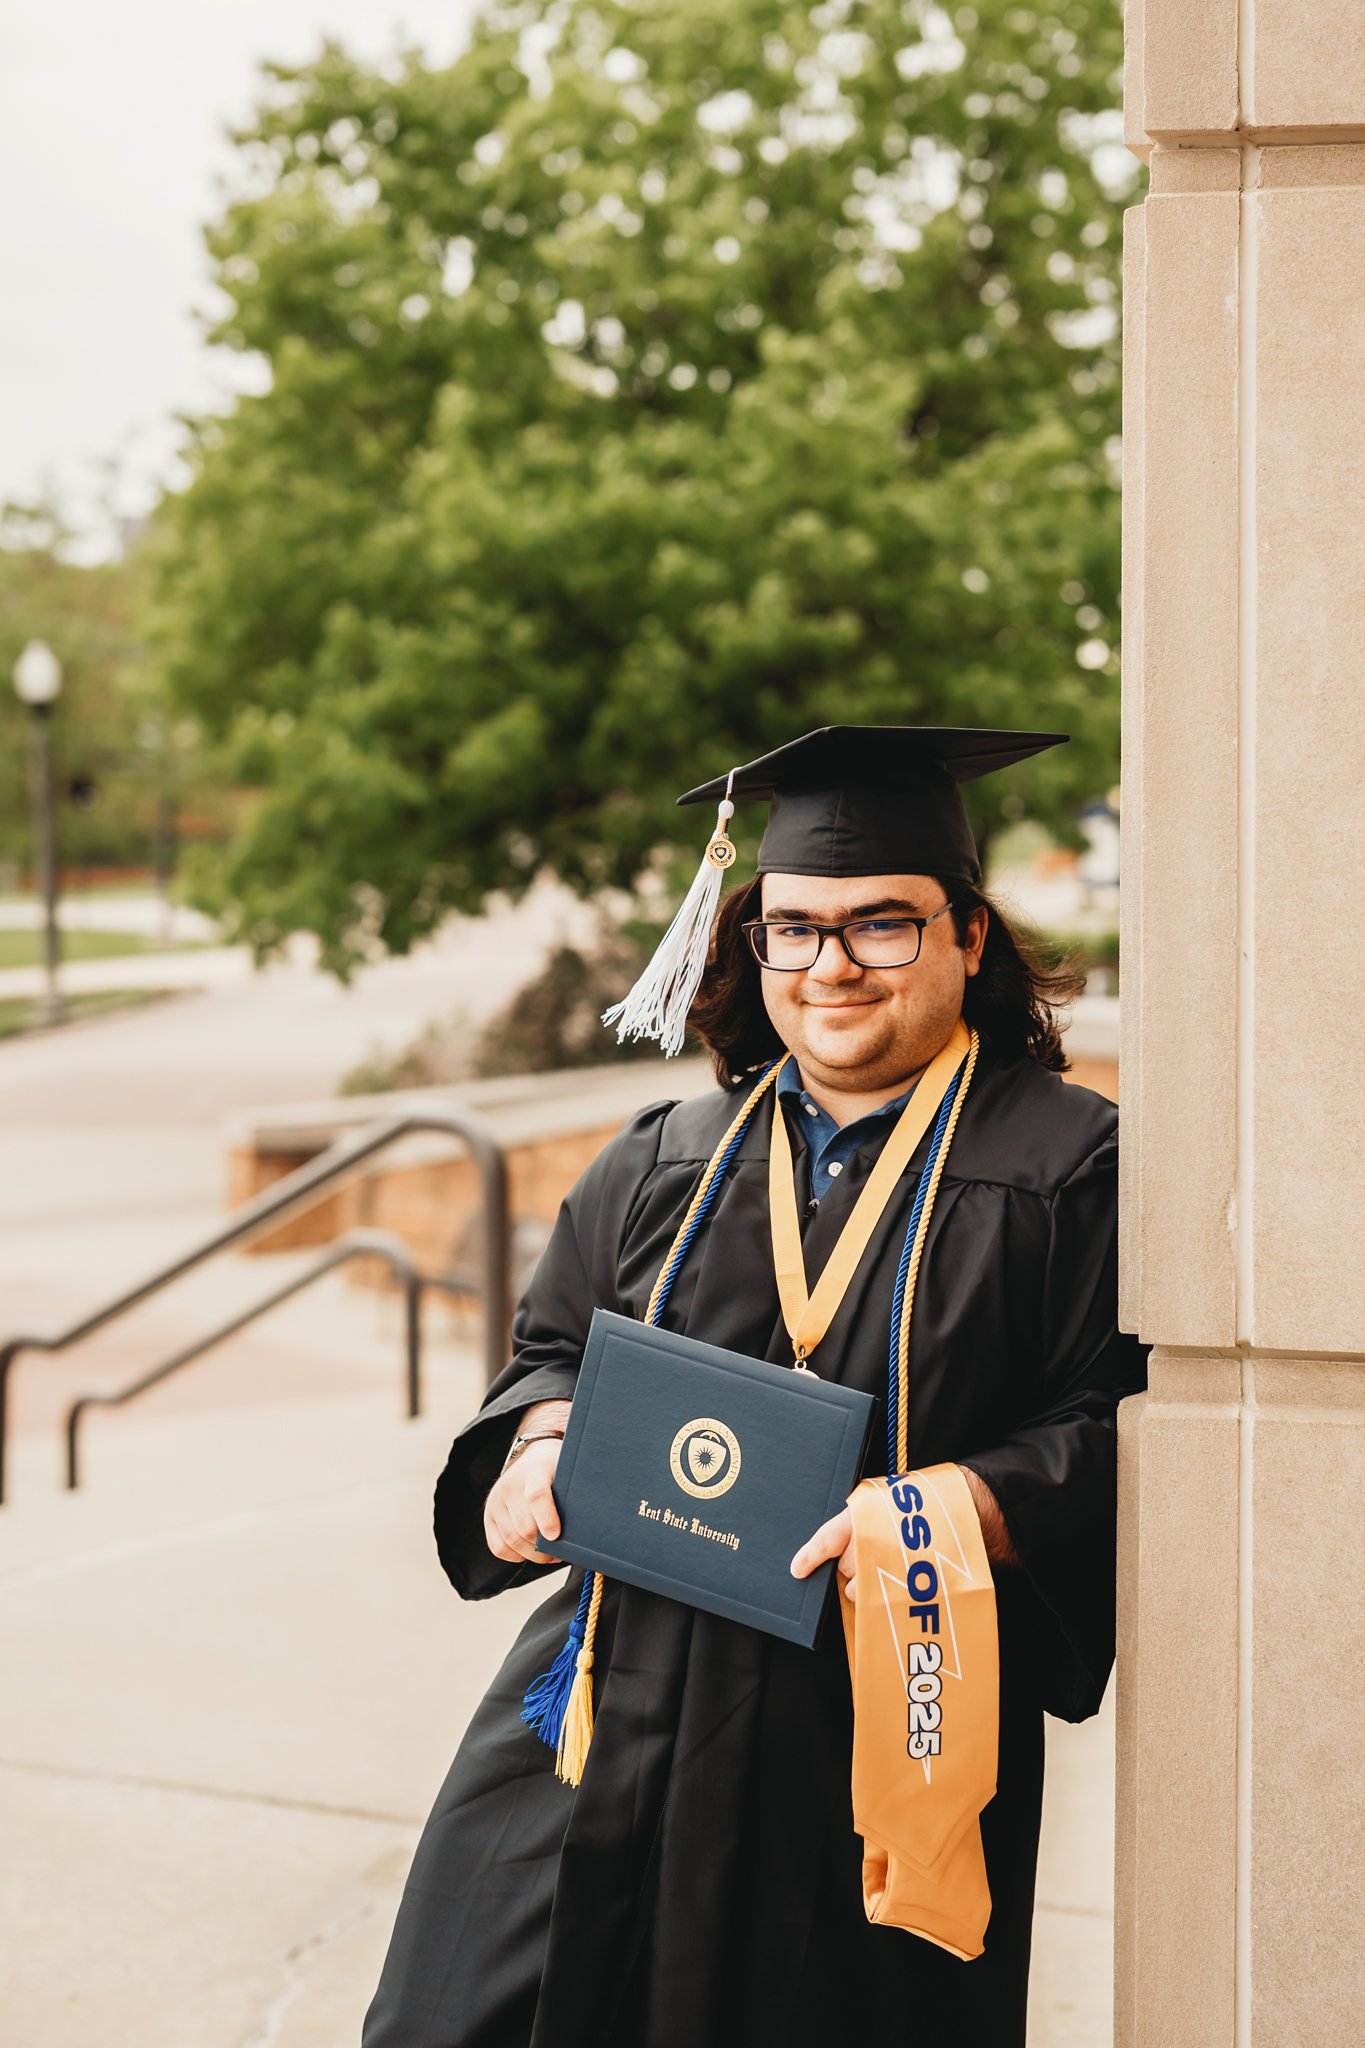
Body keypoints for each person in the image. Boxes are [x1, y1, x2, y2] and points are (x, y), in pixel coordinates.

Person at [363, 726, 1148, 2048]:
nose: (830, 965)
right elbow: (550, 1350)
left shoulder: (1068, 1169)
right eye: (793, 930)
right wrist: (536, 1444)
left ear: (968, 938)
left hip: (876, 1718)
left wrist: (955, 1504)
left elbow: (1118, 1425)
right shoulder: (665, 1155)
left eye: (881, 925)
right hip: (608, 1692)